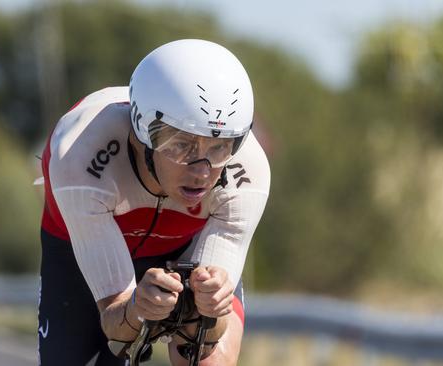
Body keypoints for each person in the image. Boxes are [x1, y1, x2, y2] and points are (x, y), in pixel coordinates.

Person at [37, 39, 270, 365]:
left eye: (220, 147)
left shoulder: (249, 171)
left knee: (207, 356)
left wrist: (212, 310)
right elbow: (115, 324)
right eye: (181, 145)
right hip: (78, 246)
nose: (201, 171)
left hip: (184, 244)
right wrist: (133, 310)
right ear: (141, 130)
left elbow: (209, 336)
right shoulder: (79, 153)